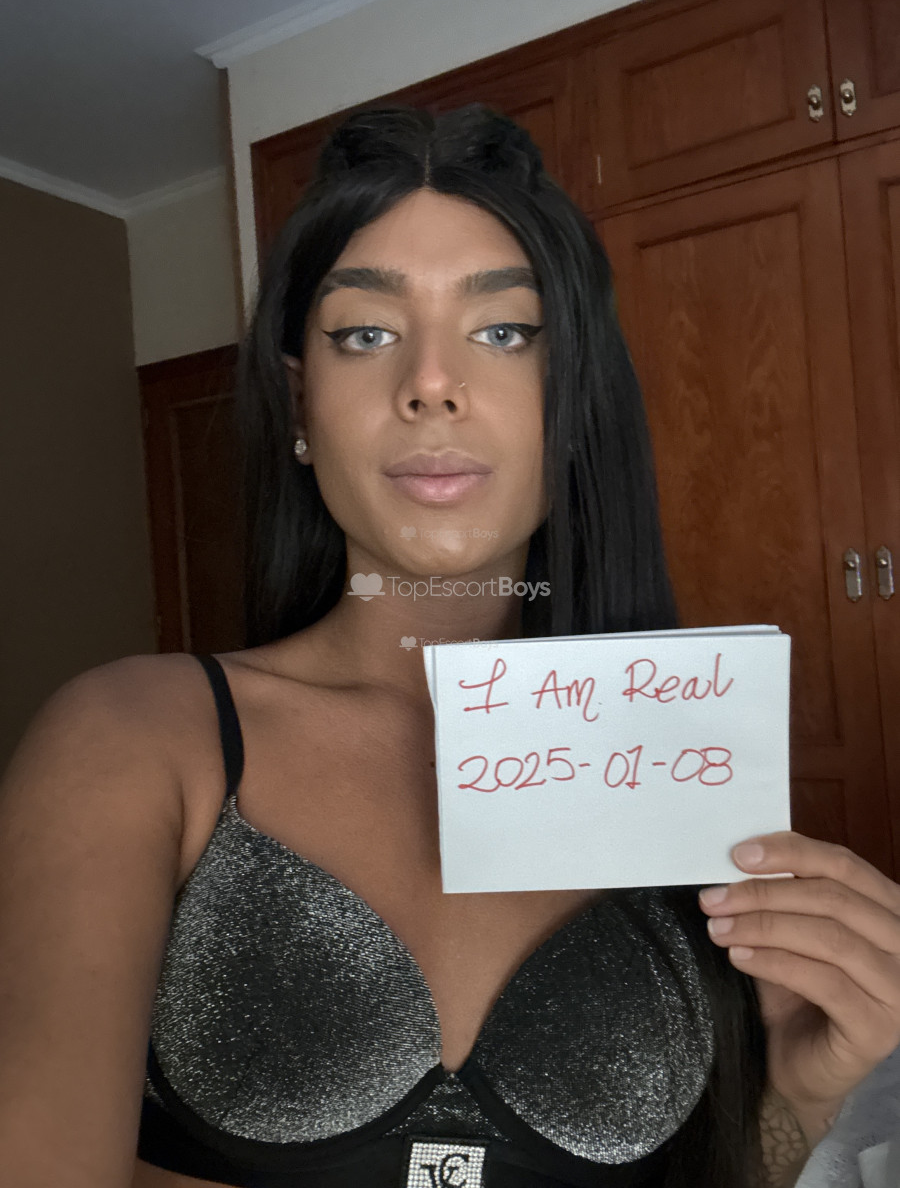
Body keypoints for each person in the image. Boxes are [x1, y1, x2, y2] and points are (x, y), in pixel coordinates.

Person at [1, 102, 898, 1188]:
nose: (430, 382)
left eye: (504, 330)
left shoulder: (677, 775)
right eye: (366, 333)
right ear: (300, 403)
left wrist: (798, 1095)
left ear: (573, 403)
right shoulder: (133, 738)